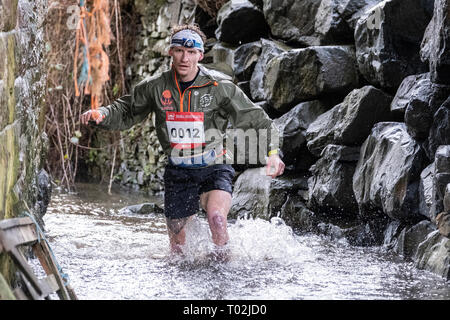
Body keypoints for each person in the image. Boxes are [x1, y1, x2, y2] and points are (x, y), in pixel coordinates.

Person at [80, 24, 285, 260]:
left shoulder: (219, 87)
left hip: (214, 165)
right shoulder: (155, 87)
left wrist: (272, 152)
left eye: (191, 52)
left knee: (217, 219)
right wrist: (102, 114)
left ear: (200, 55)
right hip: (179, 169)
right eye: (179, 51)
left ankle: (224, 278)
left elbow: (258, 120)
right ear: (170, 52)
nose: (184, 58)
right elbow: (126, 111)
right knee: (178, 251)